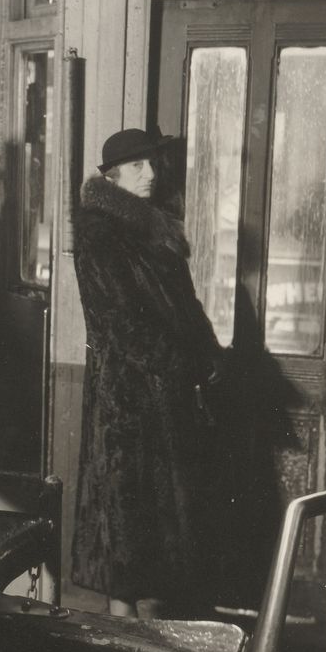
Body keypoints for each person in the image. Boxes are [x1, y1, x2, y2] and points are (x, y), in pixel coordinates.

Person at [71, 125, 227, 620]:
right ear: (113, 175)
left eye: (152, 164)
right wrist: (174, 364)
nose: (150, 174)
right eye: (138, 166)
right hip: (127, 394)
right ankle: (123, 617)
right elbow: (118, 320)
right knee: (125, 502)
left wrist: (207, 356)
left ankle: (155, 622)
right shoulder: (100, 231)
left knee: (161, 509)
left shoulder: (155, 227)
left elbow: (185, 305)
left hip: (166, 388)